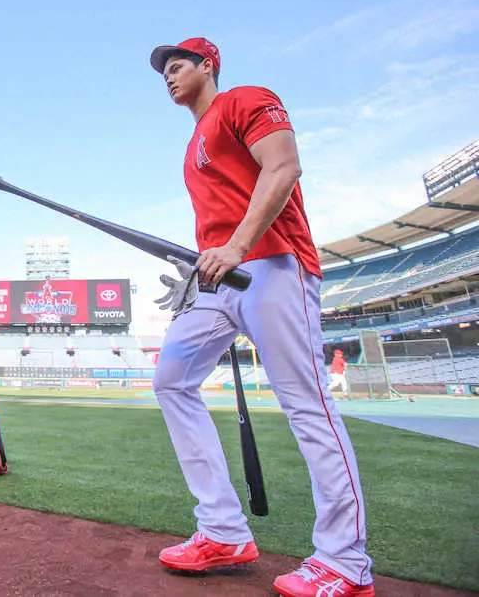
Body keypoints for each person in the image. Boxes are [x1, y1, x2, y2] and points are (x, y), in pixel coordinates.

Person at [147, 38, 373, 597]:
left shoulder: (245, 99)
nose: (168, 76)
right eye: (164, 72)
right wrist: (198, 269)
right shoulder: (191, 145)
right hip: (220, 280)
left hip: (273, 264)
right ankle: (222, 531)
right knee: (171, 379)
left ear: (208, 66)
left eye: (178, 66)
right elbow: (219, 220)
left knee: (307, 405)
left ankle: (345, 563)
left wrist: (236, 247)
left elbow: (284, 167)